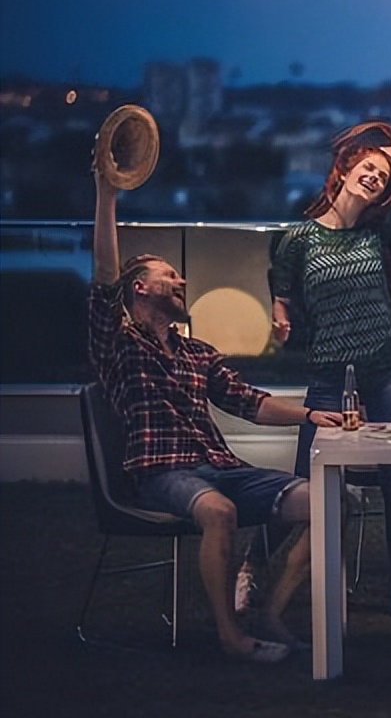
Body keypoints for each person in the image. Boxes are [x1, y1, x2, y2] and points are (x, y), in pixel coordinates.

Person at [89, 163, 343, 663]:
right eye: (168, 276)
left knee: (331, 502)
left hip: (221, 468)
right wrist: (106, 194)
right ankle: (232, 638)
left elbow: (248, 401)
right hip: (162, 473)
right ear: (138, 288)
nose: (180, 279)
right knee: (218, 512)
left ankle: (271, 613)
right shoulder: (118, 343)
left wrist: (310, 415)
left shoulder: (197, 351)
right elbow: (102, 277)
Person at [266, 121, 391, 617]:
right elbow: (281, 289)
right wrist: (280, 316)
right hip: (327, 376)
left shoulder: (378, 231)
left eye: (381, 176)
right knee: (303, 486)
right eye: (366, 168)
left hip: (383, 372)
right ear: (342, 172)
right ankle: (252, 567)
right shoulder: (299, 237)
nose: (374, 178)